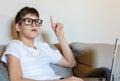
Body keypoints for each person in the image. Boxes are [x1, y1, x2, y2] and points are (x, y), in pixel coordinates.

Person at [1, 6, 83, 81]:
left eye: (37, 21)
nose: (34, 25)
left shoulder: (43, 46)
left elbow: (71, 63)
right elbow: (16, 79)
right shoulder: (15, 46)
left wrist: (60, 35)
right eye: (28, 21)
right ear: (18, 27)